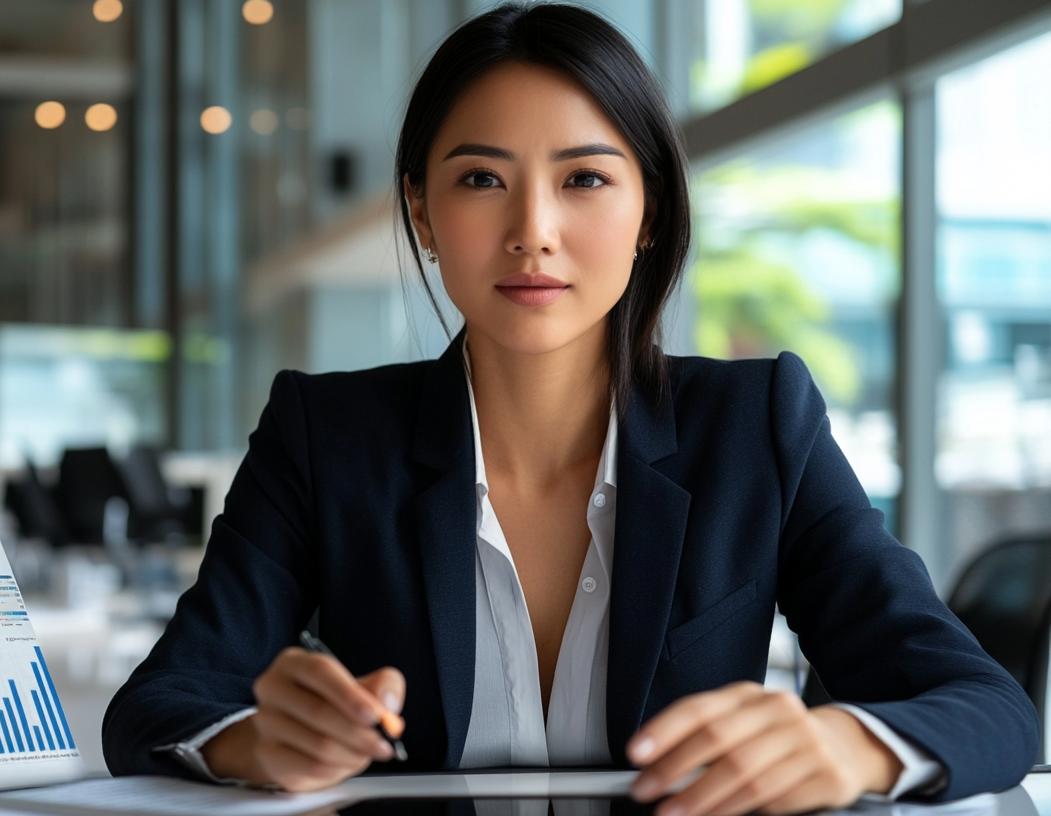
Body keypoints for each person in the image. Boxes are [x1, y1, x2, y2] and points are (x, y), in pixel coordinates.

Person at [102, 5, 1038, 815]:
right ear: (422, 214)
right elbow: (162, 704)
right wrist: (249, 742)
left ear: (653, 213)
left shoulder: (757, 423)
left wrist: (846, 747)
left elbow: (984, 705)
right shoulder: (324, 436)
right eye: (480, 180)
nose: (532, 232)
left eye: (585, 179)